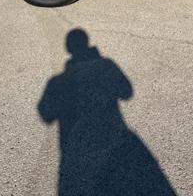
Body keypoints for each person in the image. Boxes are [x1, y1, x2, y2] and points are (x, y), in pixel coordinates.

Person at [38, 29, 175, 196]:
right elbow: (126, 92)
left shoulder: (58, 82)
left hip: (77, 146)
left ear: (69, 49)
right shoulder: (106, 66)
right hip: (114, 137)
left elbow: (46, 114)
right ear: (87, 43)